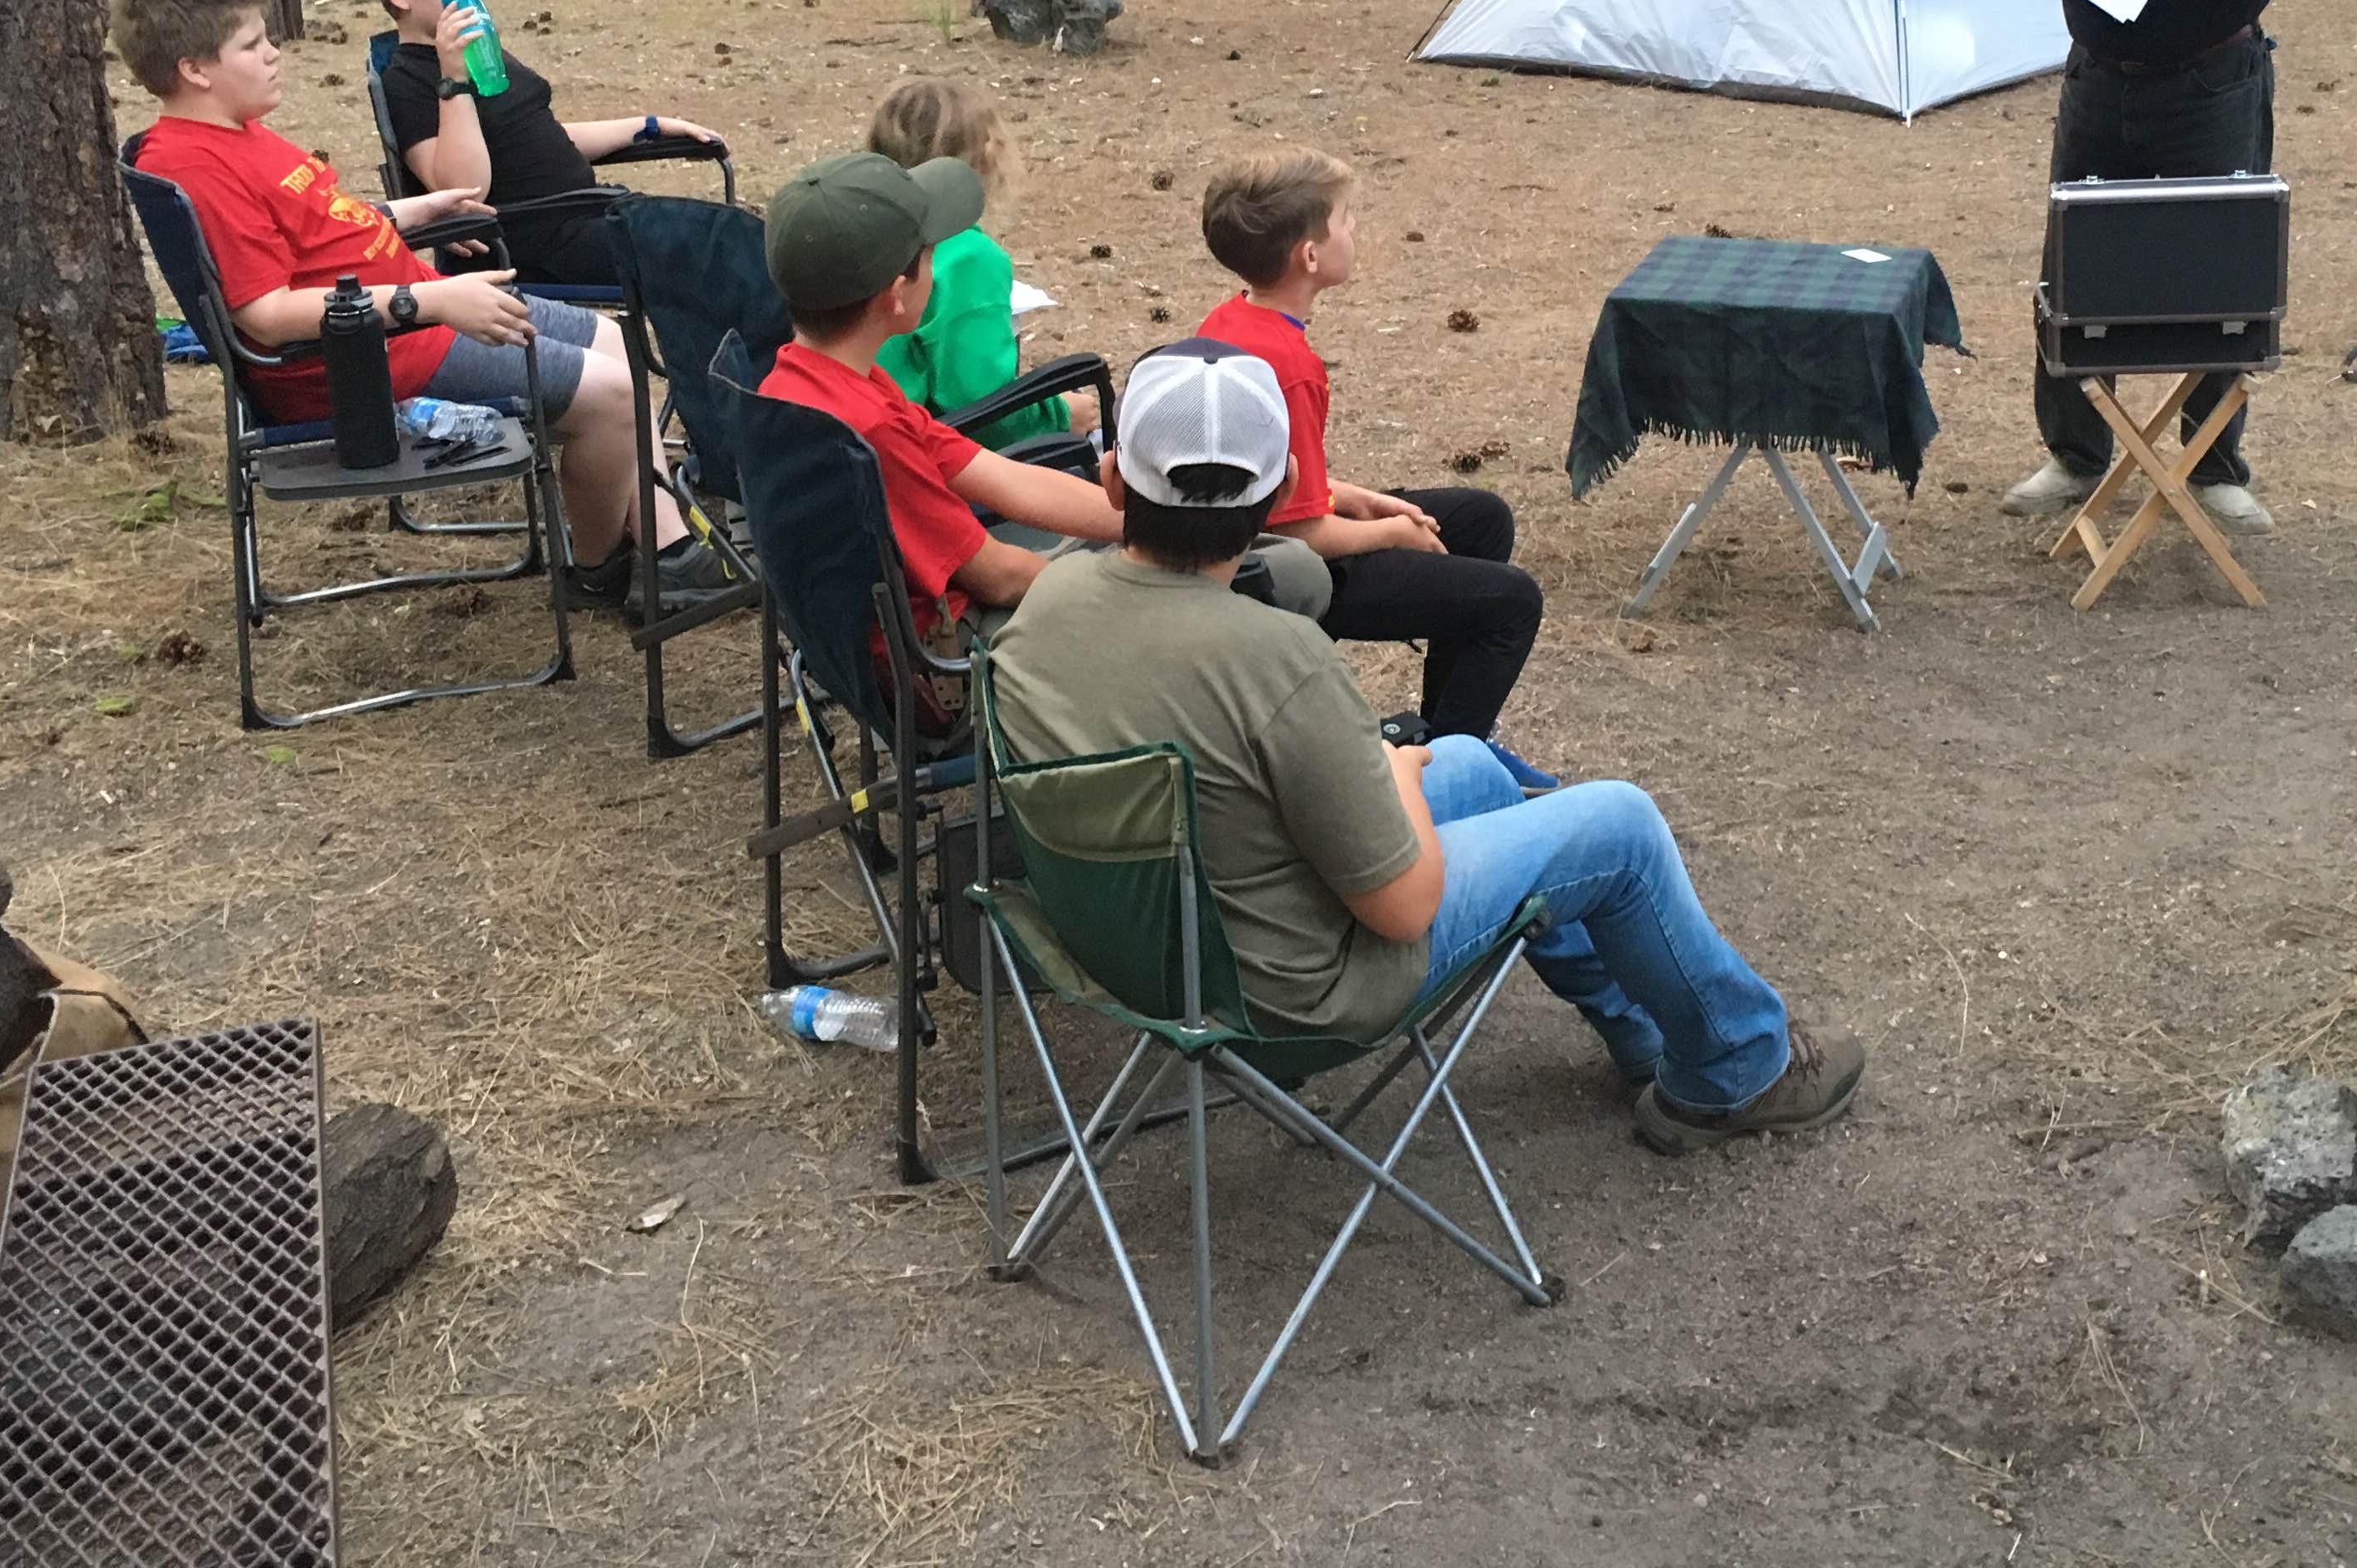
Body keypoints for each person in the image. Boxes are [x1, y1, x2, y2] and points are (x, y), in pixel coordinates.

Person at [987, 340, 1866, 1154]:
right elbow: (1403, 911)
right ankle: (1735, 1070)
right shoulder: (1275, 660)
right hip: (1292, 993)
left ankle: (1647, 1028)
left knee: (1477, 767)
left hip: (1135, 949)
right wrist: (1396, 774)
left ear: (1109, 481)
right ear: (1282, 490)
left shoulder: (1039, 613)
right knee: (1619, 826)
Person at [112, 0, 728, 601]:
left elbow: (311, 229)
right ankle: (610, 571)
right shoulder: (198, 164)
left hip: (410, 324)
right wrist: (431, 298)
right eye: (253, 44)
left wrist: (410, 213)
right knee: (609, 393)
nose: (274, 54)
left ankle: (664, 552)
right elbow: (264, 313)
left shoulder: (239, 134)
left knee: (614, 348)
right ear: (195, 70)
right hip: (363, 366)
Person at [2003, 0, 2327, 537]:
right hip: (2100, 86)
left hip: (2211, 85)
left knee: (2218, 269)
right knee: (2071, 270)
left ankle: (2214, 463)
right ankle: (2075, 454)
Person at [1192, 150, 1550, 775]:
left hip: (1254, 535)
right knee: (1511, 602)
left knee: (1480, 518)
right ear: (1309, 255)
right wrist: (1392, 532)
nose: (1355, 230)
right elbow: (1300, 532)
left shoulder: (1230, 320)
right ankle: (1452, 774)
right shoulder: (1290, 366)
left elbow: (1275, 474)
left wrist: (1352, 495)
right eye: (1346, 220)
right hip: (1279, 577)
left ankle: (1446, 735)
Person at [752, 150, 1130, 621]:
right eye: (932, 255)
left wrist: (1153, 524)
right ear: (896, 295)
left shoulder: (809, 377)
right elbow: (1001, 576)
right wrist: (1132, 599)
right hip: (945, 655)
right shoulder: (870, 431)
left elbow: (1003, 477)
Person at [368, 0, 723, 289]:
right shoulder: (407, 79)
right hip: (537, 242)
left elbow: (535, 135)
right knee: (723, 259)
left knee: (731, 241)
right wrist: (453, 80)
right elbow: (463, 188)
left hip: (592, 215)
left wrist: (647, 125)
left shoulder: (485, 54)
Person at [862, 78, 1097, 443]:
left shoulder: (863, 229)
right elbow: (980, 407)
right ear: (983, 158)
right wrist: (1060, 414)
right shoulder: (969, 258)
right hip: (923, 459)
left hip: (868, 431)